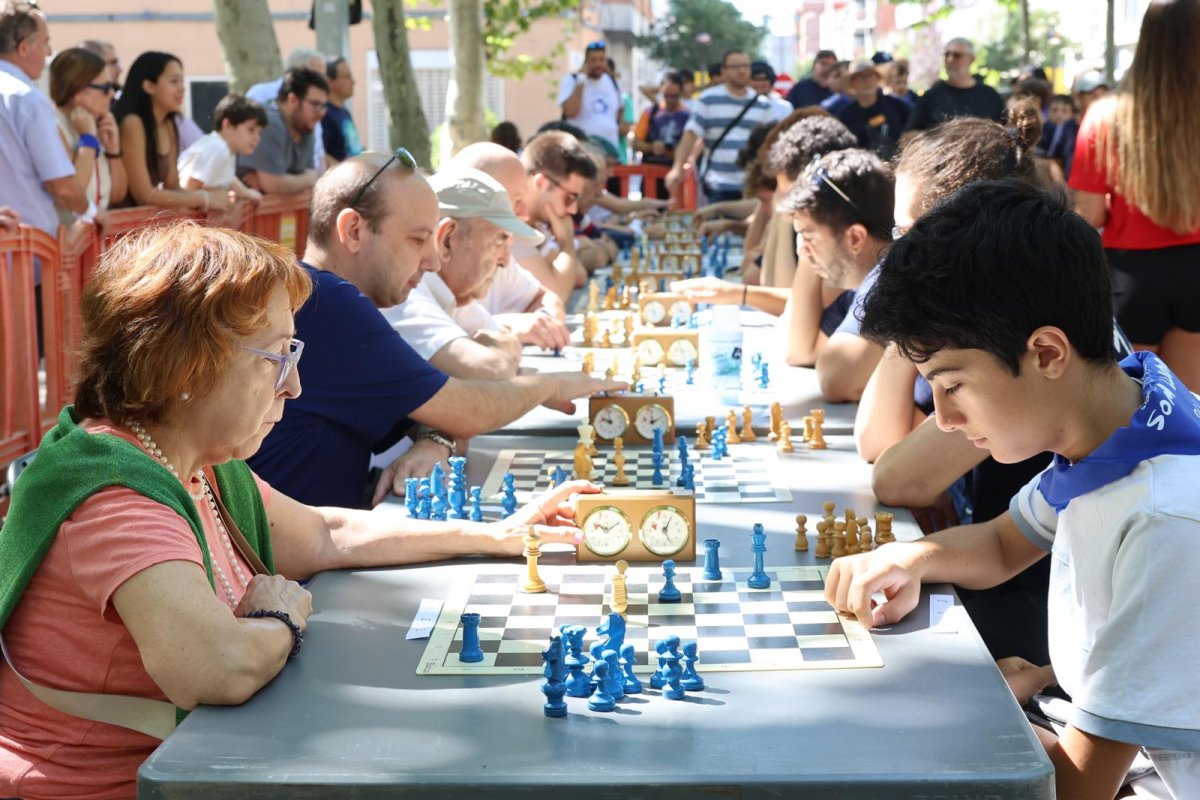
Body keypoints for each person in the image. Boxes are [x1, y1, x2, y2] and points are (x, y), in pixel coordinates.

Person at [0, 221, 600, 800]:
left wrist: (497, 534)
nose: (294, 387)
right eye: (275, 358)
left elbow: (324, 533)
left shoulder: (193, 463)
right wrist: (280, 617)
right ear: (186, 366)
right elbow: (221, 667)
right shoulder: (117, 500)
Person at [833, 178, 1200, 800]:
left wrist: (971, 709)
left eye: (953, 385)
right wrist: (908, 559)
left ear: (1047, 353)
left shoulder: (1165, 514)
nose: (944, 419)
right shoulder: (1124, 428)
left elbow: (1075, 789)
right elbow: (1004, 544)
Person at [248, 152, 621, 509]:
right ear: (354, 230)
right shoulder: (328, 303)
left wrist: (436, 439)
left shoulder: (328, 298)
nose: (432, 261)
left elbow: (431, 413)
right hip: (282, 551)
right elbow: (468, 410)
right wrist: (550, 386)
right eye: (417, 239)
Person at [854, 103, 1059, 668]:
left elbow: (895, 477)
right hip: (1011, 579)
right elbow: (877, 443)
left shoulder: (1007, 341)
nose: (896, 251)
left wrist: (1046, 683)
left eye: (908, 232)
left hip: (1035, 612)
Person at [1070, 0, 1200, 392]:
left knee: (1135, 403)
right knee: (1191, 403)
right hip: (1196, 267)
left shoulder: (1104, 116)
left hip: (1131, 275)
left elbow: (1088, 214)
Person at [385, 168, 544, 379]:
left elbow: (506, 344)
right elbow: (492, 369)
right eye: (499, 240)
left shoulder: (455, 296)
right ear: (448, 239)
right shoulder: (406, 291)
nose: (505, 261)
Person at [781, 148, 894, 401]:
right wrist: (812, 247)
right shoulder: (859, 289)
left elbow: (837, 379)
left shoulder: (890, 280)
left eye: (809, 237)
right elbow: (800, 351)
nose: (801, 250)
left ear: (855, 238)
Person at [0, 1, 88, 232]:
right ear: (24, 48)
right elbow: (62, 186)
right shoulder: (27, 99)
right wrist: (91, 213)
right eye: (45, 42)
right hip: (28, 244)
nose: (49, 52)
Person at [666, 49, 791, 203]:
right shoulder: (708, 100)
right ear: (724, 71)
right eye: (736, 67)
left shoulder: (763, 105)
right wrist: (677, 168)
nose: (742, 71)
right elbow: (690, 135)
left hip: (751, 186)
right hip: (716, 184)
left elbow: (771, 144)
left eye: (745, 66)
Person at [115, 51, 229, 213]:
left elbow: (173, 187)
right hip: (126, 225)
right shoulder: (132, 124)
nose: (182, 88)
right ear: (149, 86)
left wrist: (214, 198)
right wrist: (204, 198)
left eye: (182, 81)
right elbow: (144, 195)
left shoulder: (169, 124)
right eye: (174, 81)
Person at [513, 130, 599, 303]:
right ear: (540, 183)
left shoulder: (537, 225)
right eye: (570, 198)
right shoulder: (512, 226)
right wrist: (566, 244)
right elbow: (556, 297)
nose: (573, 209)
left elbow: (578, 275)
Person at [49, 46, 127, 224]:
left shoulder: (96, 122)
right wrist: (88, 140)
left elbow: (116, 195)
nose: (112, 94)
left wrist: (113, 150)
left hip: (93, 236)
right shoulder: (53, 125)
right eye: (105, 88)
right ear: (79, 91)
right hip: (67, 236)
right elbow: (76, 192)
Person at [237, 67, 327, 195]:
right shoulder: (269, 122)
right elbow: (274, 185)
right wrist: (307, 179)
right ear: (293, 100)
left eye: (323, 107)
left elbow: (310, 187)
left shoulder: (305, 128)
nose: (321, 113)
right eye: (315, 105)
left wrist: (293, 182)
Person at [247, 47, 327, 172]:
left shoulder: (309, 116)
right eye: (318, 74)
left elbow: (318, 154)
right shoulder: (260, 97)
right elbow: (269, 177)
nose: (325, 80)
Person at [176, 93, 265, 203]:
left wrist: (247, 193)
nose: (257, 138)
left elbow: (229, 178)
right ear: (227, 125)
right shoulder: (218, 149)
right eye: (251, 130)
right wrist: (216, 197)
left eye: (259, 132)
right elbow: (187, 188)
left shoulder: (226, 149)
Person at [905, 38, 1004, 134]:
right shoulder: (930, 96)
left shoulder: (991, 96)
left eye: (957, 55)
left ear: (972, 59)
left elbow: (1005, 129)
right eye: (946, 55)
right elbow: (909, 135)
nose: (950, 60)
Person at [557, 41, 624, 160]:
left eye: (601, 59)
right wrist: (581, 80)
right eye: (593, 60)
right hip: (582, 152)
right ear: (586, 61)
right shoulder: (572, 80)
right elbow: (570, 112)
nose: (598, 64)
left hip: (609, 153)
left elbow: (619, 112)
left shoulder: (612, 82)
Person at [835, 60, 909, 158]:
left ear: (877, 78)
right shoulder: (845, 116)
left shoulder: (896, 105)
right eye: (861, 77)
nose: (867, 81)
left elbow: (913, 130)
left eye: (870, 75)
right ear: (852, 82)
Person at [321, 56, 361, 164]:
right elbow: (320, 154)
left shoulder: (345, 112)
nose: (353, 81)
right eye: (347, 76)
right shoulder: (323, 114)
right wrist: (342, 171)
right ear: (329, 82)